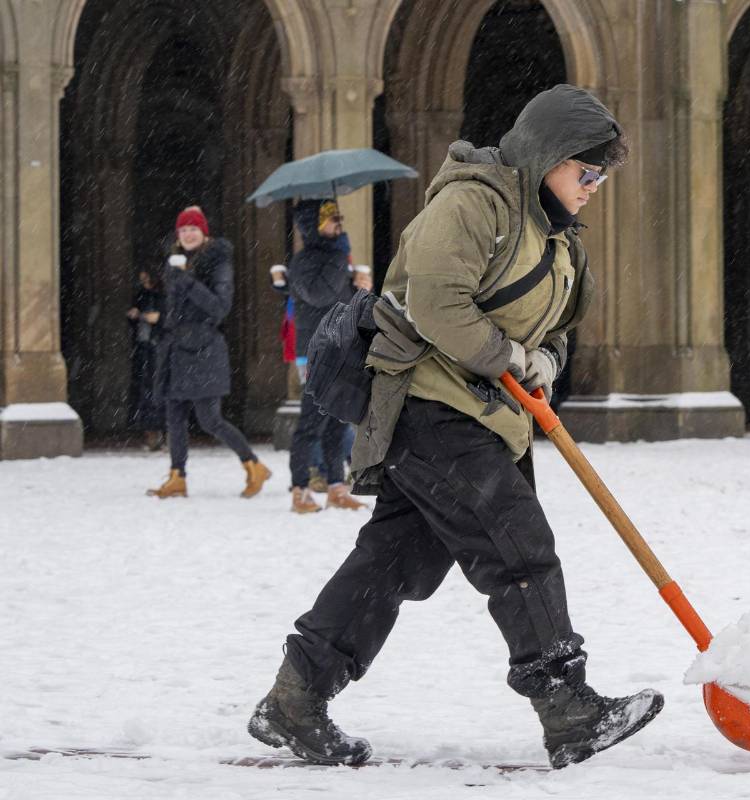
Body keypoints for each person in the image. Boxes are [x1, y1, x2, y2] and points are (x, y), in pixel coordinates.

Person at [248, 85, 663, 769]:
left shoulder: (557, 235)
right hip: (430, 407)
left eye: (601, 177)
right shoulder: (473, 204)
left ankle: (296, 698)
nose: (594, 188)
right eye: (586, 173)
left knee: (394, 562)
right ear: (547, 157)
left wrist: (545, 361)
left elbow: (557, 326)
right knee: (517, 544)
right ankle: (567, 707)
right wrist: (509, 357)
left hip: (487, 416)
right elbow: (438, 303)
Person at [147, 206, 272, 499]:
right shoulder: (176, 264)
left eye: (193, 229)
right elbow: (176, 309)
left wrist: (186, 281)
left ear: (204, 233)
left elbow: (219, 307)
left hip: (204, 350)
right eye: (183, 230)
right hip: (176, 349)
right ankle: (177, 476)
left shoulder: (218, 261)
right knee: (175, 417)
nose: (188, 234)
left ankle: (254, 465)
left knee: (210, 420)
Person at [285, 199, 371, 514]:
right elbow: (319, 295)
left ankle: (336, 487)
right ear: (314, 225)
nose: (339, 223)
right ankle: (300, 490)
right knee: (311, 423)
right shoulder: (303, 261)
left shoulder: (336, 259)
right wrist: (341, 263)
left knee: (336, 422)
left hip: (340, 349)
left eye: (339, 217)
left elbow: (343, 304)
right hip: (316, 352)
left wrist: (359, 287)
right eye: (332, 218)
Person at [126, 269, 165, 450]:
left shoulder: (164, 296)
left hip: (158, 346)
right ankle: (150, 431)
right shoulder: (141, 296)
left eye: (146, 279)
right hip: (143, 346)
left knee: (157, 390)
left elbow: (168, 319)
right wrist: (135, 316)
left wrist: (158, 318)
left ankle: (161, 432)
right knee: (145, 389)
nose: (144, 283)